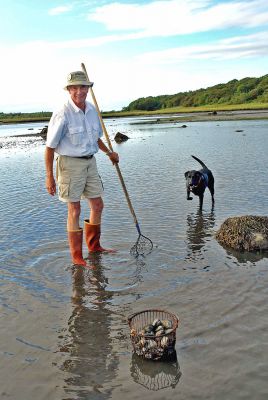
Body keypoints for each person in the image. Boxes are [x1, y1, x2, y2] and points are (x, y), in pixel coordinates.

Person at [45, 70, 119, 267]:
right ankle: (77, 257)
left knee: (97, 205)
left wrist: (109, 153)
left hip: (90, 162)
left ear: (88, 88)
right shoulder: (62, 112)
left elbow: (94, 137)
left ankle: (94, 246)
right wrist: (49, 177)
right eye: (75, 87)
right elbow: (50, 147)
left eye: (83, 86)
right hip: (69, 164)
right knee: (75, 209)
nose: (79, 91)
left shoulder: (92, 109)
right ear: (69, 90)